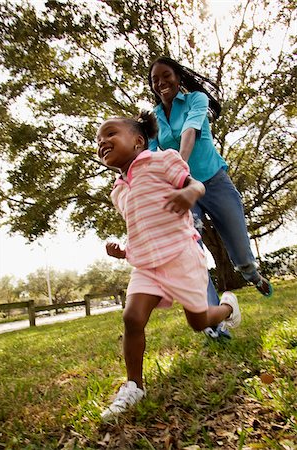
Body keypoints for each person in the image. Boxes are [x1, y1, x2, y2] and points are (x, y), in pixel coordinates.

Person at [96, 110, 241, 420]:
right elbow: (140, 226)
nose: (102, 142)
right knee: (132, 318)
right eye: (98, 140)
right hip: (147, 264)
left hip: (180, 255)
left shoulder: (162, 161)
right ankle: (134, 385)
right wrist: (124, 249)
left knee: (199, 322)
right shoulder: (119, 190)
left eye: (110, 134)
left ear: (138, 141)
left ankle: (228, 308)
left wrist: (189, 192)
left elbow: (196, 185)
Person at [147, 56, 273, 337]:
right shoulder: (153, 118)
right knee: (190, 253)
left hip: (215, 182)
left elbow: (190, 133)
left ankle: (252, 275)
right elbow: (152, 155)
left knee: (241, 255)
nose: (161, 83)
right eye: (155, 80)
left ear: (178, 77)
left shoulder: (196, 100)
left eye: (166, 76)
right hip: (183, 190)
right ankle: (215, 326)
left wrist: (179, 166)